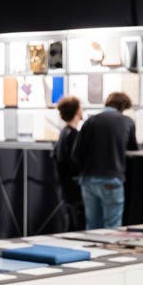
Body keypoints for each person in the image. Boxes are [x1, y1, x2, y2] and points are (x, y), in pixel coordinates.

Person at [72, 91, 137, 229]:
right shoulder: (127, 122)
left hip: (88, 179)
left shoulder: (90, 121)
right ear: (123, 107)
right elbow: (132, 148)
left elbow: (77, 153)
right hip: (111, 178)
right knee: (112, 227)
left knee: (92, 225)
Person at [54, 95, 84, 231]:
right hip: (74, 182)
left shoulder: (64, 133)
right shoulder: (73, 135)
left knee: (71, 217)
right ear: (76, 111)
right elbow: (75, 159)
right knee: (76, 219)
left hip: (65, 182)